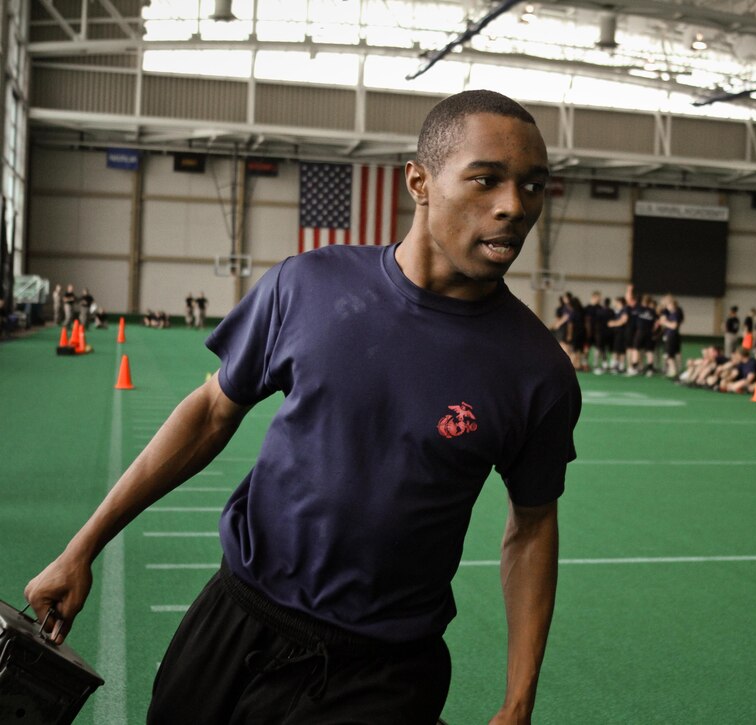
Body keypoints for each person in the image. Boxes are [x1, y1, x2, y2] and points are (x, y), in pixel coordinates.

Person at [24, 90, 580, 725]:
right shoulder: (310, 283)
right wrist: (82, 547)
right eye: (487, 180)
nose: (515, 206)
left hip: (383, 669)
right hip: (234, 620)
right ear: (419, 182)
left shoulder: (538, 372)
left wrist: (518, 701)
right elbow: (210, 412)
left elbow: (532, 527)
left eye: (534, 186)